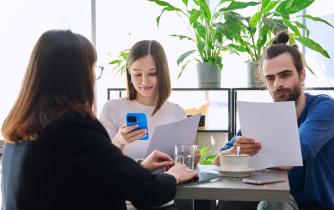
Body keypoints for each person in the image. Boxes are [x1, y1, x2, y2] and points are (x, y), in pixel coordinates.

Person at [1, 30, 198, 210]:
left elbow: (94, 175)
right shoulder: (73, 126)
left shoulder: (21, 126)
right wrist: (173, 176)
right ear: (76, 76)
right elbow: (145, 193)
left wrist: (140, 168)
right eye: (92, 68)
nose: (94, 77)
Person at [215, 32, 334, 210]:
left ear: (301, 75)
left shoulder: (324, 106)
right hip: (273, 200)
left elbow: (294, 153)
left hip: (317, 206)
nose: (277, 84)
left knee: (274, 202)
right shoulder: (263, 115)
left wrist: (248, 154)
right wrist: (236, 150)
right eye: (270, 78)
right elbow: (218, 160)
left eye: (285, 75)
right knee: (230, 202)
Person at [99, 40, 200, 162]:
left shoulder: (177, 112)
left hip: (167, 180)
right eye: (137, 74)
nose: (144, 81)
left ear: (163, 73)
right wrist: (119, 141)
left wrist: (190, 157)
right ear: (129, 73)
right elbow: (102, 163)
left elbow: (181, 161)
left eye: (152, 73)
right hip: (127, 180)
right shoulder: (112, 109)